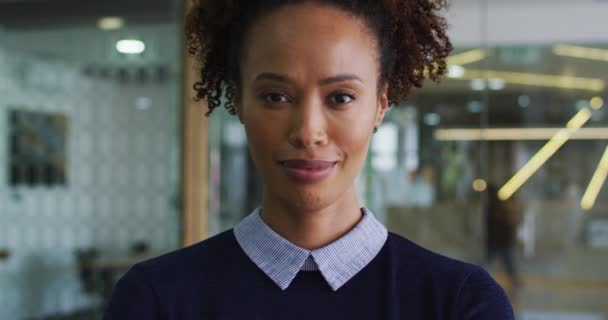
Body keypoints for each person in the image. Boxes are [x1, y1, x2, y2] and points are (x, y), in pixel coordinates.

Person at [103, 1, 514, 319]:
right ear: (240, 101)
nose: (308, 132)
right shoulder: (156, 300)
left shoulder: (460, 304)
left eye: (341, 98)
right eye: (275, 97)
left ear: (381, 105)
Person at [485, 183, 522, 290]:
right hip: (497, 241)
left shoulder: (495, 206)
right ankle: (515, 281)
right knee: (488, 262)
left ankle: (515, 281)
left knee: (507, 262)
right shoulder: (494, 207)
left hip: (501, 241)